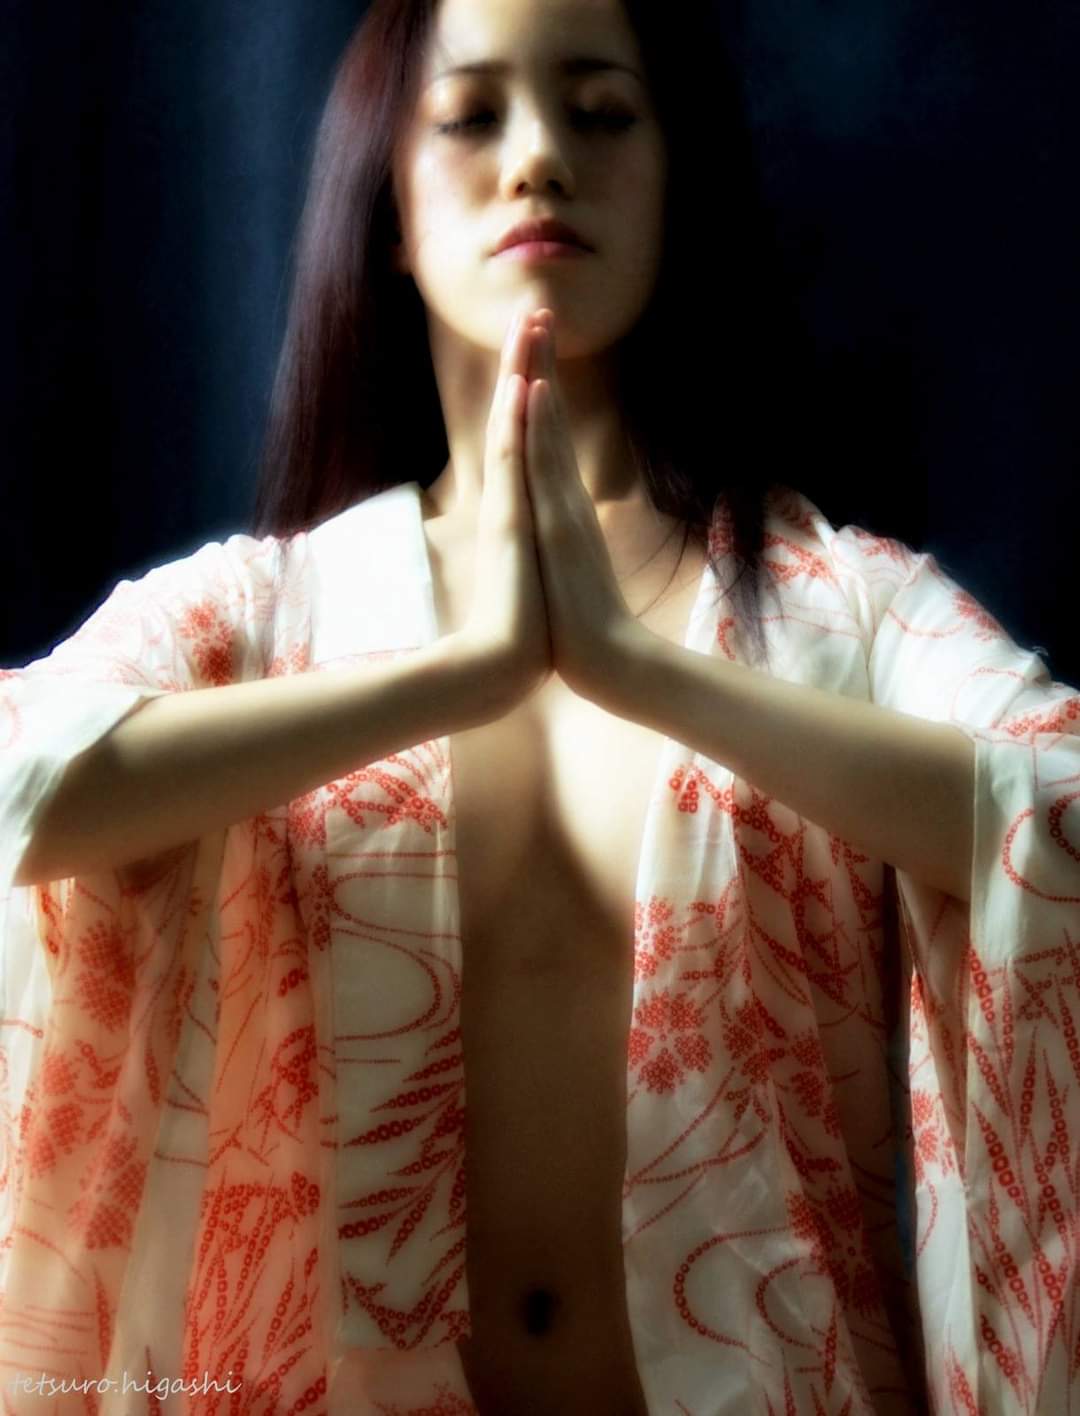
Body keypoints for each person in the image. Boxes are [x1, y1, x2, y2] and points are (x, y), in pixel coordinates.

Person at [1, 0, 1078, 1411]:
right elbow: (21, 786)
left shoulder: (843, 609)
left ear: (678, 185)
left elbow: (1061, 812)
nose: (540, 160)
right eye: (471, 115)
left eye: (602, 112)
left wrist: (645, 671)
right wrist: (457, 677)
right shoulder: (271, 617)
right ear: (387, 206)